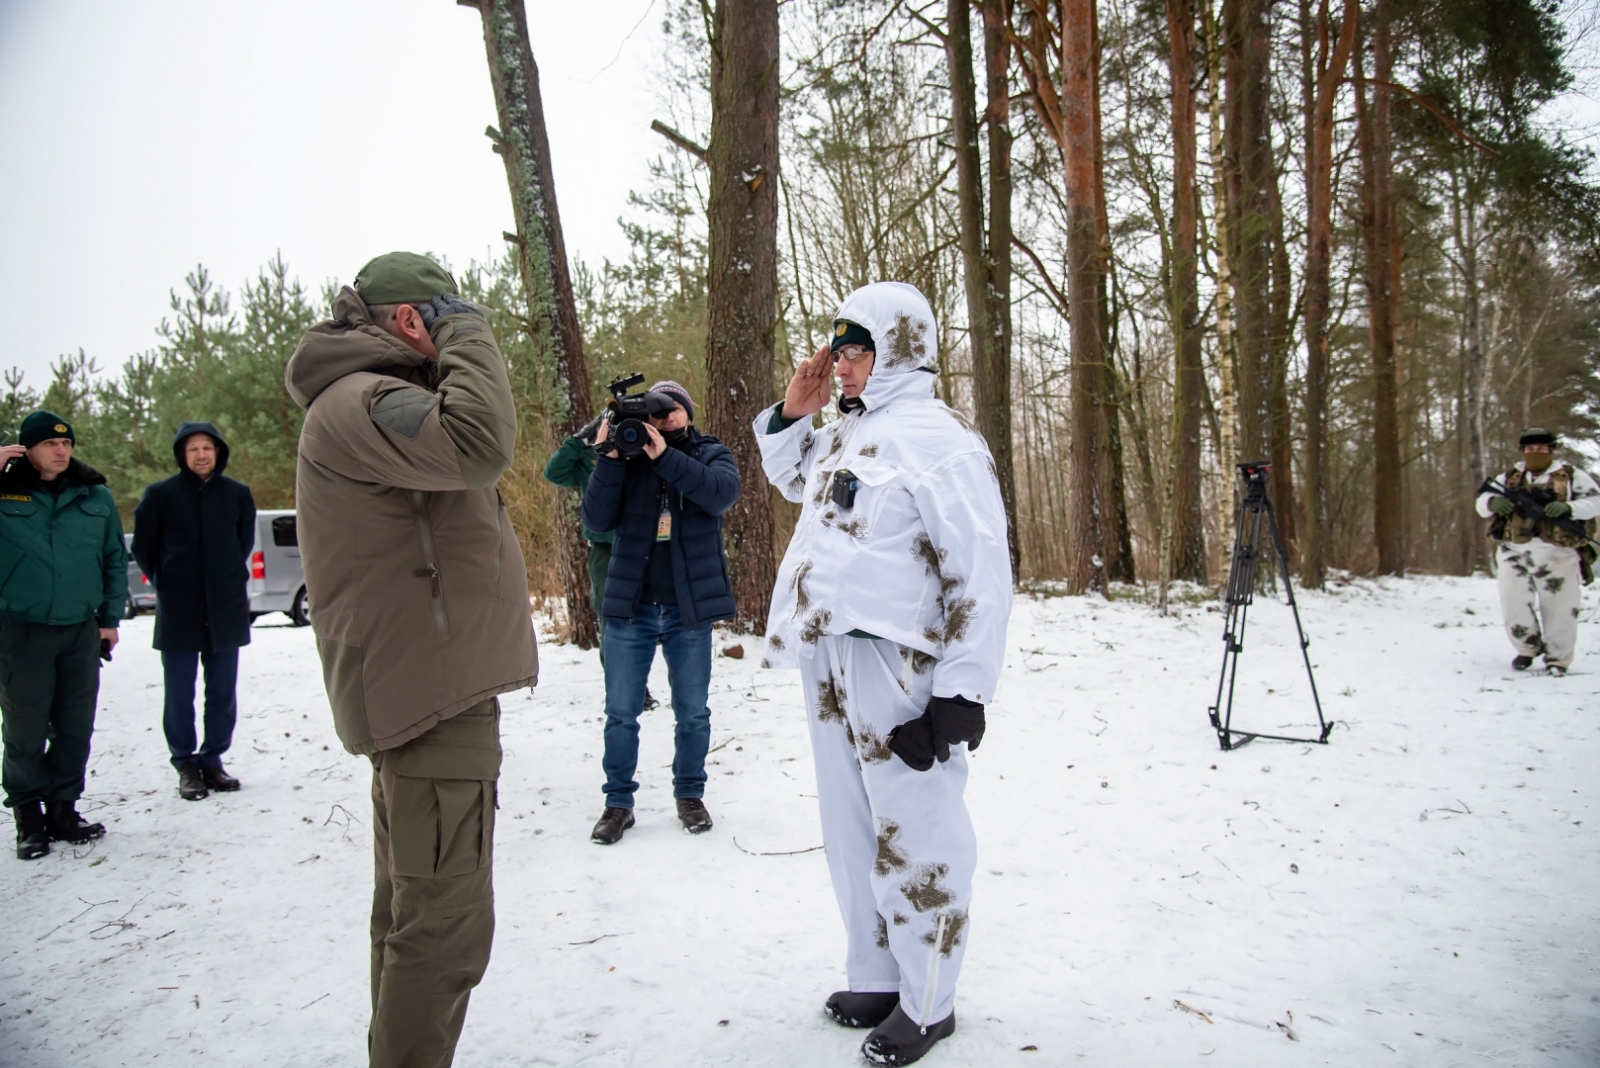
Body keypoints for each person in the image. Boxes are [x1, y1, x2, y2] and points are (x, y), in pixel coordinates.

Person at [285, 252, 539, 1068]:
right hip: (432, 702)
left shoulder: (366, 400)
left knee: (412, 919)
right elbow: (480, 447)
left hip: (425, 692)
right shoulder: (367, 399)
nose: (462, 320)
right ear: (409, 321)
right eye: (446, 311)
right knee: (444, 933)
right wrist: (468, 330)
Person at [752, 282, 1012, 1066]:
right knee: (851, 828)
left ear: (900, 347)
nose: (842, 366)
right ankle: (877, 974)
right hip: (831, 655)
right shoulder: (847, 434)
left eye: (857, 349)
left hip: (900, 664)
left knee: (916, 828)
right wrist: (795, 413)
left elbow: (982, 569)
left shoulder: (941, 443)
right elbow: (797, 482)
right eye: (838, 351)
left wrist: (962, 692)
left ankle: (929, 999)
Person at [580, 379, 739, 844]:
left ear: (688, 412)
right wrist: (608, 459)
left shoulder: (710, 452)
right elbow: (595, 520)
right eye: (655, 411)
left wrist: (663, 455)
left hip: (688, 610)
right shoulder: (625, 459)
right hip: (633, 608)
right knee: (621, 713)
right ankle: (618, 804)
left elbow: (720, 494)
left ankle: (690, 795)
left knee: (693, 713)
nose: (665, 418)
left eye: (673, 409)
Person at [0, 411, 126, 860]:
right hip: (21, 630)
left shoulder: (94, 494)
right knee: (25, 729)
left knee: (75, 728)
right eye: (51, 444)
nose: (61, 450)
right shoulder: (5, 491)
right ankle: (28, 820)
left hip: (79, 630)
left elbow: (114, 557)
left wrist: (109, 619)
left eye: (67, 443)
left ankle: (63, 811)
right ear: (26, 449)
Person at [133, 422, 256, 801]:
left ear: (218, 452)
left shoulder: (237, 495)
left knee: (222, 691)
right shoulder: (160, 496)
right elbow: (144, 548)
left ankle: (213, 759)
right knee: (179, 692)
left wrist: (224, 579)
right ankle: (186, 763)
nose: (201, 455)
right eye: (193, 449)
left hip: (225, 609)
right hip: (180, 610)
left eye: (208, 448)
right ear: (181, 455)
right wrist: (168, 581)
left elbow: (243, 543)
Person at [542, 419, 657, 710]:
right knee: (613, 622)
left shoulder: (644, 450)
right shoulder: (590, 457)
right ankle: (629, 690)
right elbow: (553, 473)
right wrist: (579, 439)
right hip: (606, 550)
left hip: (647, 546)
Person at [1476, 427, 1600, 675]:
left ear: (1551, 450)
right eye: (1531, 449)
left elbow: (1595, 501)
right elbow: (1481, 504)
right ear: (1523, 450)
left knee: (1560, 608)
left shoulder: (1572, 476)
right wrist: (1492, 502)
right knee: (1513, 602)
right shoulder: (1509, 477)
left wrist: (1568, 508)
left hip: (1557, 553)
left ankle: (1558, 658)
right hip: (1514, 551)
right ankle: (1526, 648)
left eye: (1542, 448)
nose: (1536, 452)